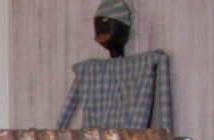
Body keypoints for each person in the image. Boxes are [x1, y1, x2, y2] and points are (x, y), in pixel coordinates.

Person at [58, 0, 172, 130]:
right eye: (98, 26)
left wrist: (167, 138)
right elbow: (65, 114)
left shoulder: (147, 63)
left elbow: (165, 120)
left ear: (124, 28)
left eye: (107, 24)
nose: (101, 31)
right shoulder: (88, 70)